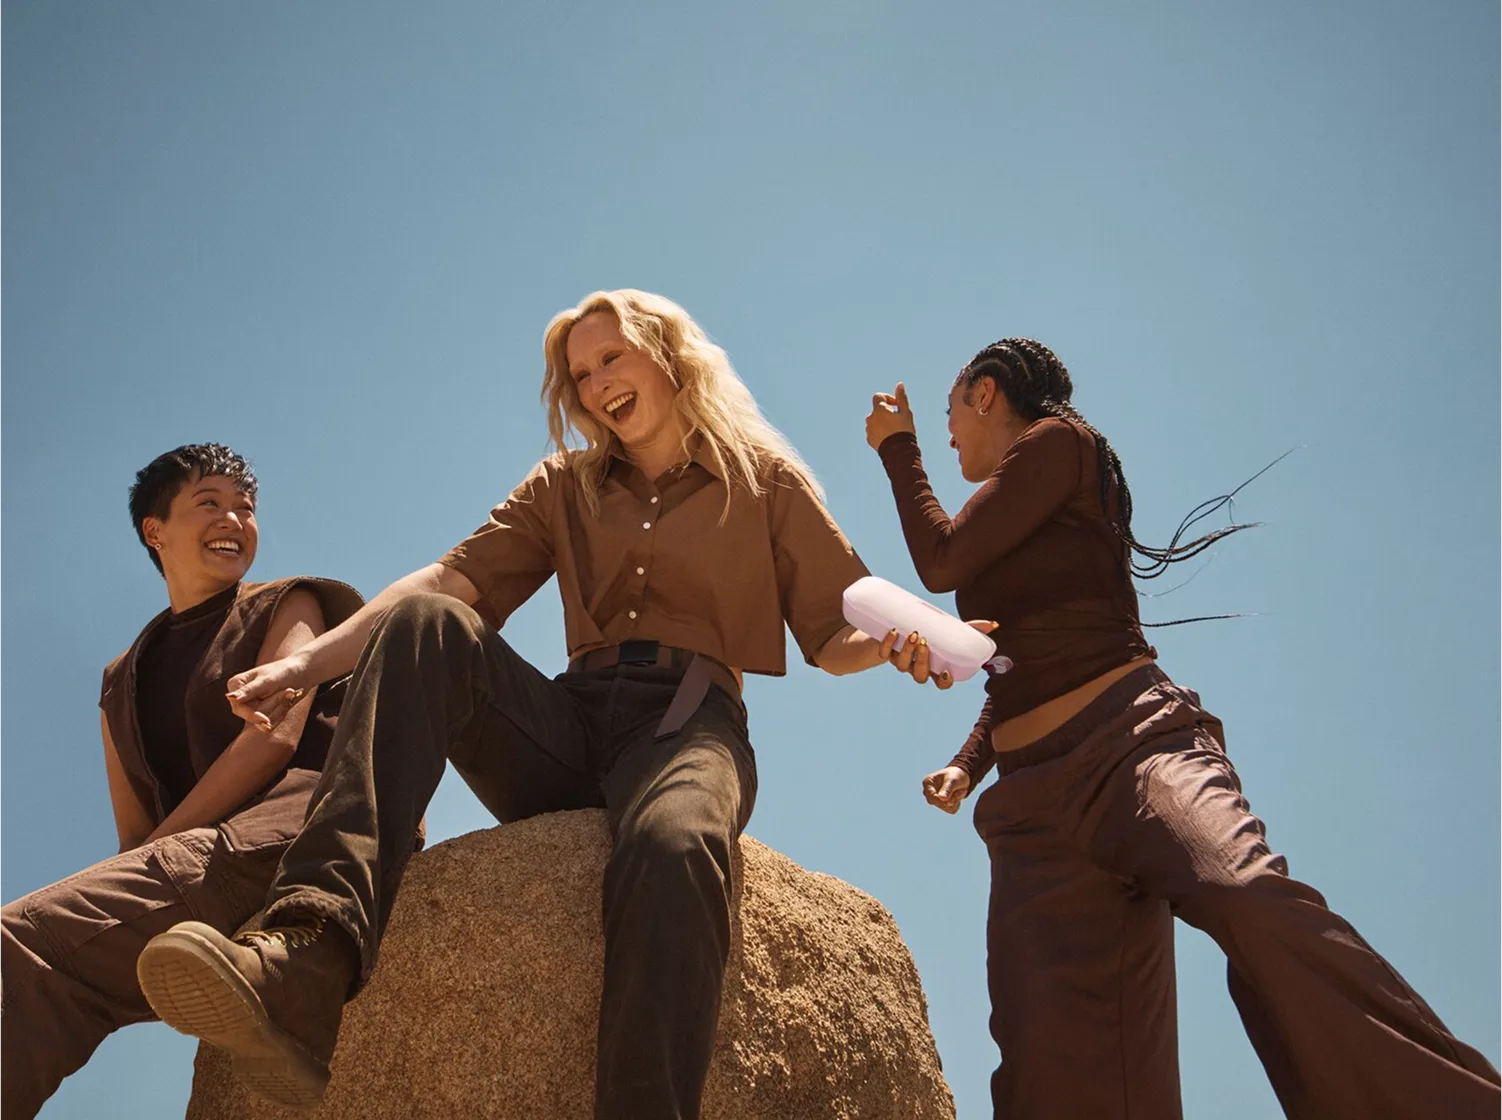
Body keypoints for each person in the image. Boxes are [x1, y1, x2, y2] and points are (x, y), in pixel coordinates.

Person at [136, 290, 919, 1120]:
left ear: (667, 353)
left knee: (673, 844)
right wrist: (304, 666)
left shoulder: (765, 481)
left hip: (688, 725)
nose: (594, 384)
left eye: (610, 358)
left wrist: (899, 645)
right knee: (426, 621)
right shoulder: (564, 485)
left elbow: (835, 635)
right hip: (569, 723)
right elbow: (446, 583)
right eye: (579, 374)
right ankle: (306, 956)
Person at [864, 338, 1502, 1120]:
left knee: (1247, 894)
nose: (948, 430)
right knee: (1050, 1070)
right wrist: (969, 763)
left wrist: (899, 448)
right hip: (1032, 810)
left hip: (1134, 746)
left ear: (986, 393)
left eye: (950, 411)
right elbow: (1018, 664)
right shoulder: (1014, 514)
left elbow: (941, 559)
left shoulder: (1060, 445)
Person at [0, 443, 364, 1120]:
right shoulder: (121, 677)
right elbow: (133, 832)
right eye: (210, 504)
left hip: (284, 845)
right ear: (155, 530)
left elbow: (273, 738)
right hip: (194, 866)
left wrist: (158, 848)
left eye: (245, 508)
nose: (235, 519)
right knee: (56, 984)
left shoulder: (291, 604)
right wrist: (148, 854)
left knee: (17, 936)